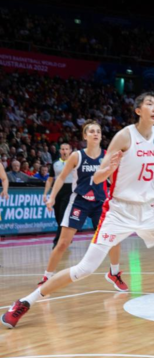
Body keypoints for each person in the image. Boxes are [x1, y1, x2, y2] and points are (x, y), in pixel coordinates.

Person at [1, 93, 154, 329]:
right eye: (150, 104)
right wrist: (110, 168)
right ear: (138, 110)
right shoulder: (124, 136)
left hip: (152, 211)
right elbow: (97, 176)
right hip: (120, 211)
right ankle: (25, 302)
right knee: (85, 268)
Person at [40, 121, 127, 291]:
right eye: (92, 131)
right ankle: (46, 278)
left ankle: (114, 273)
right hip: (79, 201)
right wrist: (52, 198)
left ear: (101, 136)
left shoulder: (107, 155)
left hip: (101, 202)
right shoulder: (77, 156)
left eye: (98, 131)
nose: (95, 134)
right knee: (63, 242)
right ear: (85, 136)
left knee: (113, 238)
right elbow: (60, 177)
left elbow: (113, 179)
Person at [44, 143, 75, 249]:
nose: (64, 151)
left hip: (70, 190)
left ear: (70, 150)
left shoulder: (75, 162)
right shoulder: (55, 163)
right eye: (62, 149)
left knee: (62, 216)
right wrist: (45, 193)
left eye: (67, 149)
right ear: (60, 151)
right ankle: (67, 237)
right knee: (58, 217)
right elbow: (50, 179)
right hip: (58, 191)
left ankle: (57, 242)